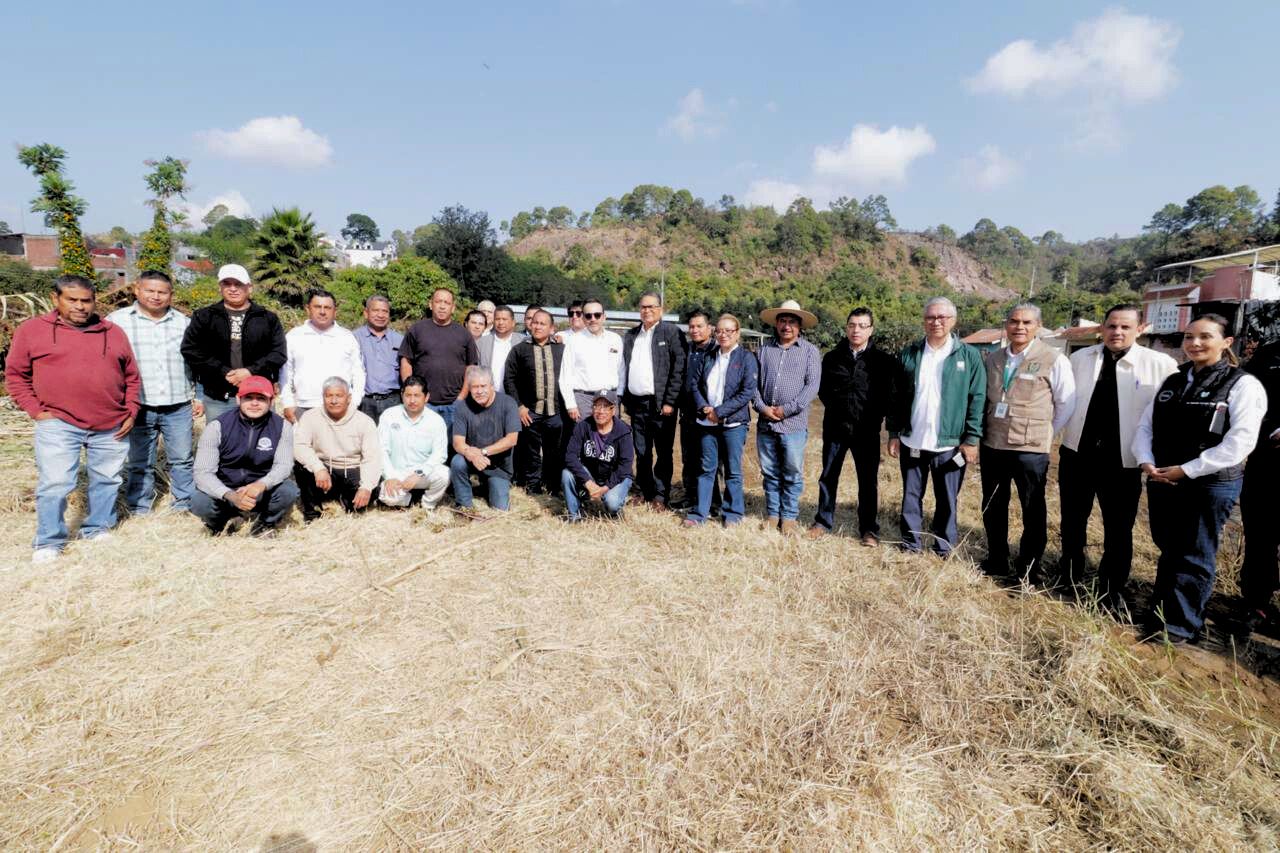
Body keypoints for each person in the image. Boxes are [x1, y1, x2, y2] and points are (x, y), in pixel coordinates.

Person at [1134, 314, 1266, 644]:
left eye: (1205, 337)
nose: (1194, 343)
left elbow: (1241, 441)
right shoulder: (1174, 380)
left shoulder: (1241, 384)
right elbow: (1145, 426)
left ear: (1226, 342)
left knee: (1194, 553)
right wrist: (1146, 461)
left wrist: (1189, 469)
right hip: (1164, 477)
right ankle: (1161, 612)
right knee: (1169, 548)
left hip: (1209, 483)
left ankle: (1181, 627)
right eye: (1189, 337)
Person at [6, 275, 140, 562]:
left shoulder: (113, 332)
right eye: (72, 300)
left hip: (110, 422)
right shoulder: (32, 331)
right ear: (56, 299)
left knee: (107, 479)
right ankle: (48, 542)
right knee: (55, 483)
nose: (80, 306)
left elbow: (132, 376)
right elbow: (16, 375)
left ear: (94, 301)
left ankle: (98, 527)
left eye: (86, 300)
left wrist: (131, 410)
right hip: (59, 423)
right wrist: (36, 411)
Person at [1058, 304, 1177, 610]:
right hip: (1077, 454)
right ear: (1102, 327)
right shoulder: (1080, 358)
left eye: (1125, 327)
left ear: (1141, 329)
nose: (1117, 332)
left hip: (1122, 461)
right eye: (1111, 326)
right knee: (1072, 521)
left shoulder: (1159, 364)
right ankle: (1068, 576)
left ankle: (1111, 589)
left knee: (1118, 528)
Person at [978, 304, 1076, 581]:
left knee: (1032, 508)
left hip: (1030, 449)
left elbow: (1066, 402)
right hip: (994, 443)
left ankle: (1029, 567)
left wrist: (1046, 433)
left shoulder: (1053, 359)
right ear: (1006, 324)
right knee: (993, 505)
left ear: (1038, 326)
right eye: (1014, 321)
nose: (1019, 327)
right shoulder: (993, 358)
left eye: (1026, 322)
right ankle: (997, 559)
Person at [887, 297, 986, 558]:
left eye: (942, 317)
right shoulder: (909, 354)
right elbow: (895, 397)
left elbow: (977, 398)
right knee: (911, 496)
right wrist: (894, 433)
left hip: (950, 443)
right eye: (931, 317)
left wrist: (972, 438)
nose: (936, 322)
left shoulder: (969, 356)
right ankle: (911, 544)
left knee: (947, 499)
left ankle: (943, 547)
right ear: (924, 321)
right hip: (913, 439)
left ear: (953, 320)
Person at [107, 270, 201, 515]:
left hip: (177, 403)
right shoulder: (117, 321)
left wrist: (197, 395)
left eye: (162, 292)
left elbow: (197, 362)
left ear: (171, 295)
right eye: (150, 290)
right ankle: (140, 506)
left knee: (181, 459)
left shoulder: (184, 323)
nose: (156, 296)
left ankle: (183, 503)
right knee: (140, 461)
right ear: (137, 290)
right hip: (138, 405)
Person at [810, 307, 899, 545]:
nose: (856, 330)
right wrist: (841, 411)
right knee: (828, 476)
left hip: (867, 431)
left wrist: (879, 421)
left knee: (867, 481)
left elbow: (889, 397)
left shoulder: (884, 362)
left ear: (871, 329)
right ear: (846, 327)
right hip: (835, 429)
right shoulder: (831, 358)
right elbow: (824, 391)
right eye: (851, 325)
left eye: (862, 326)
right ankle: (822, 521)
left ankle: (868, 529)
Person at [190, 375, 299, 535]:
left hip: (260, 491)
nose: (254, 403)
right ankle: (219, 524)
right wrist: (230, 495)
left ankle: (264, 524)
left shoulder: (282, 427)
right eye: (248, 398)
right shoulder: (217, 426)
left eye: (261, 398)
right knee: (198, 501)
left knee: (289, 491)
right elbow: (203, 473)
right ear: (238, 399)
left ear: (271, 401)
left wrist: (261, 485)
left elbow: (283, 466)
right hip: (225, 491)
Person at [180, 263, 287, 421]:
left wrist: (250, 371)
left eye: (238, 284)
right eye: (227, 284)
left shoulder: (267, 318)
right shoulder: (204, 317)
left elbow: (278, 353)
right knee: (221, 443)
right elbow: (191, 350)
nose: (233, 288)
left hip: (258, 396)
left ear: (249, 287)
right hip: (219, 398)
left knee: (262, 443)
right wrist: (222, 371)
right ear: (220, 287)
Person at [752, 299, 822, 534]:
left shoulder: (810, 352)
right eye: (783, 321)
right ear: (776, 323)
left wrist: (787, 409)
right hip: (766, 422)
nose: (787, 326)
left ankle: (789, 517)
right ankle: (773, 514)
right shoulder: (764, 350)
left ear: (799, 326)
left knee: (792, 472)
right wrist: (763, 408)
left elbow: (811, 387)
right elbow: (753, 385)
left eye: (792, 322)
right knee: (770, 472)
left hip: (793, 424)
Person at [684, 314, 757, 527]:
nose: (723, 335)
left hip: (733, 424)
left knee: (733, 471)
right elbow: (695, 384)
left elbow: (747, 392)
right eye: (720, 331)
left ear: (737, 333)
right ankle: (700, 513)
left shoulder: (746, 358)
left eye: (729, 331)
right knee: (707, 469)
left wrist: (720, 411)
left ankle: (733, 514)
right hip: (707, 422)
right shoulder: (709, 355)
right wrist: (705, 408)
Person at [622, 291, 686, 508]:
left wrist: (670, 401)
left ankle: (660, 495)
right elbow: (625, 367)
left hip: (661, 405)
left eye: (651, 307)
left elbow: (679, 369)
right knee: (641, 451)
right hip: (637, 404)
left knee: (663, 451)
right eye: (643, 307)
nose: (647, 311)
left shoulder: (671, 332)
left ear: (661, 309)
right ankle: (643, 491)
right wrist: (627, 402)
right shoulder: (631, 335)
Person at [1235, 337, 1280, 636]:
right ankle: (1256, 604)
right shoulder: (1269, 354)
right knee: (1260, 535)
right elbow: (1243, 397)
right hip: (1268, 460)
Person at [292, 377, 381, 521]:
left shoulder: (364, 421)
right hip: (325, 469)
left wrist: (366, 487)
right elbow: (300, 446)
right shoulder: (310, 417)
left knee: (363, 502)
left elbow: (372, 457)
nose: (334, 401)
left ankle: (343, 498)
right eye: (329, 396)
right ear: (323, 397)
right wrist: (318, 468)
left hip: (352, 469)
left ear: (349, 398)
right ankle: (312, 512)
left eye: (339, 396)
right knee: (301, 467)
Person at [504, 308, 568, 495]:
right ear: (530, 325)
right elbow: (509, 379)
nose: (538, 326)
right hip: (529, 411)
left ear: (551, 328)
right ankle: (533, 486)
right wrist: (519, 406)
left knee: (553, 452)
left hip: (555, 411)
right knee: (530, 451)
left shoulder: (561, 350)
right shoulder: (519, 350)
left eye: (543, 323)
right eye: (535, 322)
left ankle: (553, 485)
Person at [399, 287, 478, 434]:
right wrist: (411, 393)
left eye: (447, 303)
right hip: (424, 404)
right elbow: (406, 361)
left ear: (453, 307)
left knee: (452, 448)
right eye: (438, 301)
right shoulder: (417, 330)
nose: (442, 306)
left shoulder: (464, 334)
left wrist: (461, 397)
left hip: (454, 404)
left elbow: (471, 367)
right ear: (431, 304)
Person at [280, 289, 364, 424]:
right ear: (308, 309)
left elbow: (358, 373)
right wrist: (287, 403)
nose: (322, 311)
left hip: (340, 409)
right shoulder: (294, 336)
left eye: (327, 307)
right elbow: (285, 373)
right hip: (304, 407)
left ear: (334, 311)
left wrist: (354, 402)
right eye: (317, 307)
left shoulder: (347, 337)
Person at [450, 367, 521, 511]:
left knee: (500, 509)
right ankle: (465, 506)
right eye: (475, 387)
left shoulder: (508, 403)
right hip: (472, 460)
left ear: (492, 386)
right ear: (469, 389)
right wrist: (470, 453)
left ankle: (487, 487)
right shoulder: (462, 407)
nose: (479, 391)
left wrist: (482, 452)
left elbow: (512, 440)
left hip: (498, 466)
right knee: (457, 461)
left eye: (483, 386)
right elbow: (458, 443)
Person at [377, 375, 450, 509]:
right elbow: (381, 450)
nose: (412, 400)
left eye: (417, 395)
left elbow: (439, 454)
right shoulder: (389, 415)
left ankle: (427, 504)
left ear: (426, 397)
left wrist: (419, 474)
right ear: (402, 395)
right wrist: (390, 476)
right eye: (408, 395)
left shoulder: (436, 421)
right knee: (387, 497)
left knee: (444, 475)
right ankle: (412, 500)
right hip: (397, 473)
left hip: (422, 473)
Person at [673, 310, 721, 512]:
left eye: (699, 326)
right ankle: (691, 496)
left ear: (709, 328)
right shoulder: (687, 349)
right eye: (691, 326)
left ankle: (714, 502)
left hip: (709, 413)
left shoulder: (717, 350)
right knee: (689, 458)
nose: (695, 330)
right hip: (688, 413)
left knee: (710, 460)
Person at [562, 395, 635, 521]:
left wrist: (604, 488)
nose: (601, 411)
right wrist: (588, 482)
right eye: (597, 406)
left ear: (614, 411)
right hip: (592, 475)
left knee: (612, 503)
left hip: (616, 477)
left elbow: (625, 466)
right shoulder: (583, 426)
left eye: (606, 407)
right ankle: (575, 516)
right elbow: (570, 456)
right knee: (566, 474)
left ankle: (615, 507)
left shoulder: (623, 431)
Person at [559, 298, 626, 418]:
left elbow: (621, 370)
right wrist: (571, 405)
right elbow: (565, 376)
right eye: (588, 316)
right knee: (586, 436)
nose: (593, 319)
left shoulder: (615, 339)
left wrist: (619, 396)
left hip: (610, 398)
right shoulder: (574, 340)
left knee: (611, 436)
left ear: (604, 317)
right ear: (583, 318)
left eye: (597, 315)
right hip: (584, 401)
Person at [354, 294, 404, 423]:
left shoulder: (400, 340)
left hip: (393, 401)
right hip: (364, 402)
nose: (380, 315)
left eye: (385, 311)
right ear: (366, 313)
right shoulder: (353, 338)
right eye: (376, 310)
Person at [477, 304, 525, 393]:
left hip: (516, 396)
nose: (501, 323)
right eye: (497, 319)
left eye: (504, 319)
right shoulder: (482, 343)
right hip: (489, 394)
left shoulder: (523, 341)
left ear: (513, 322)